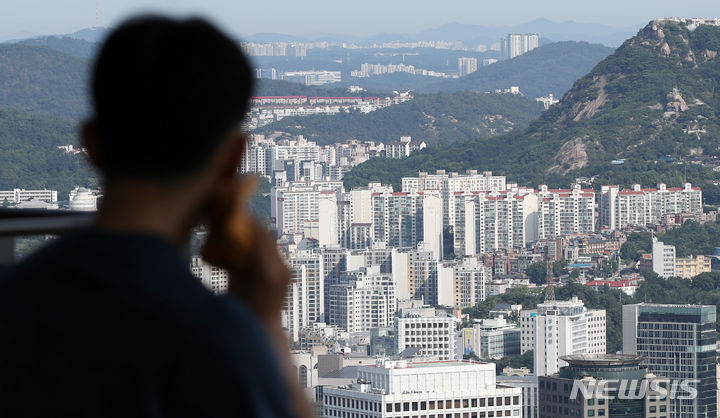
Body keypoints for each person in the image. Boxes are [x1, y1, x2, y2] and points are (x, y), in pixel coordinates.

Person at [0, 16, 311, 418]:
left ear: (91, 145)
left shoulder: (11, 302)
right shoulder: (216, 342)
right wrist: (266, 321)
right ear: (233, 160)